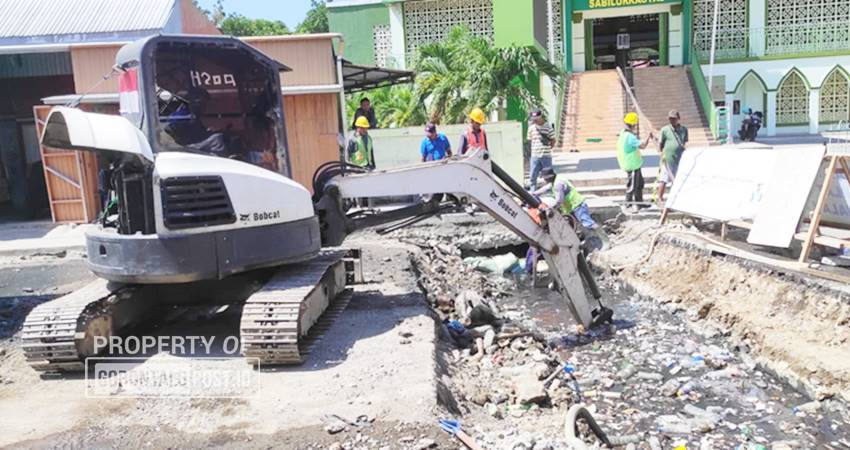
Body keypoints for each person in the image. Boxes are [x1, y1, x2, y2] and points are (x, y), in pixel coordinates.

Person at [616, 112, 654, 211]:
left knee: (639, 184)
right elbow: (643, 146)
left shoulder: (623, 134)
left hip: (633, 164)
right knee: (632, 185)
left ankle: (639, 203)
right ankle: (628, 204)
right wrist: (648, 136)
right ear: (633, 124)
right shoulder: (630, 137)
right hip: (632, 165)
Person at [657, 110, 688, 203]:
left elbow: (684, 142)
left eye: (674, 119)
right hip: (668, 159)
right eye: (670, 119)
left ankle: (676, 198)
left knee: (678, 180)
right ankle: (660, 198)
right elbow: (660, 143)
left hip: (679, 159)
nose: (672, 121)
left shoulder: (684, 130)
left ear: (678, 119)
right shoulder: (665, 130)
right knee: (664, 179)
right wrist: (661, 154)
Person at [527, 109, 555, 190]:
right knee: (533, 176)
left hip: (546, 156)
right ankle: (533, 193)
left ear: (541, 117)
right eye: (533, 119)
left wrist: (548, 149)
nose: (535, 121)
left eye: (536, 119)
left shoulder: (548, 127)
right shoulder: (531, 128)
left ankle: (551, 191)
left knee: (549, 176)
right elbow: (530, 141)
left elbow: (553, 140)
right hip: (535, 156)